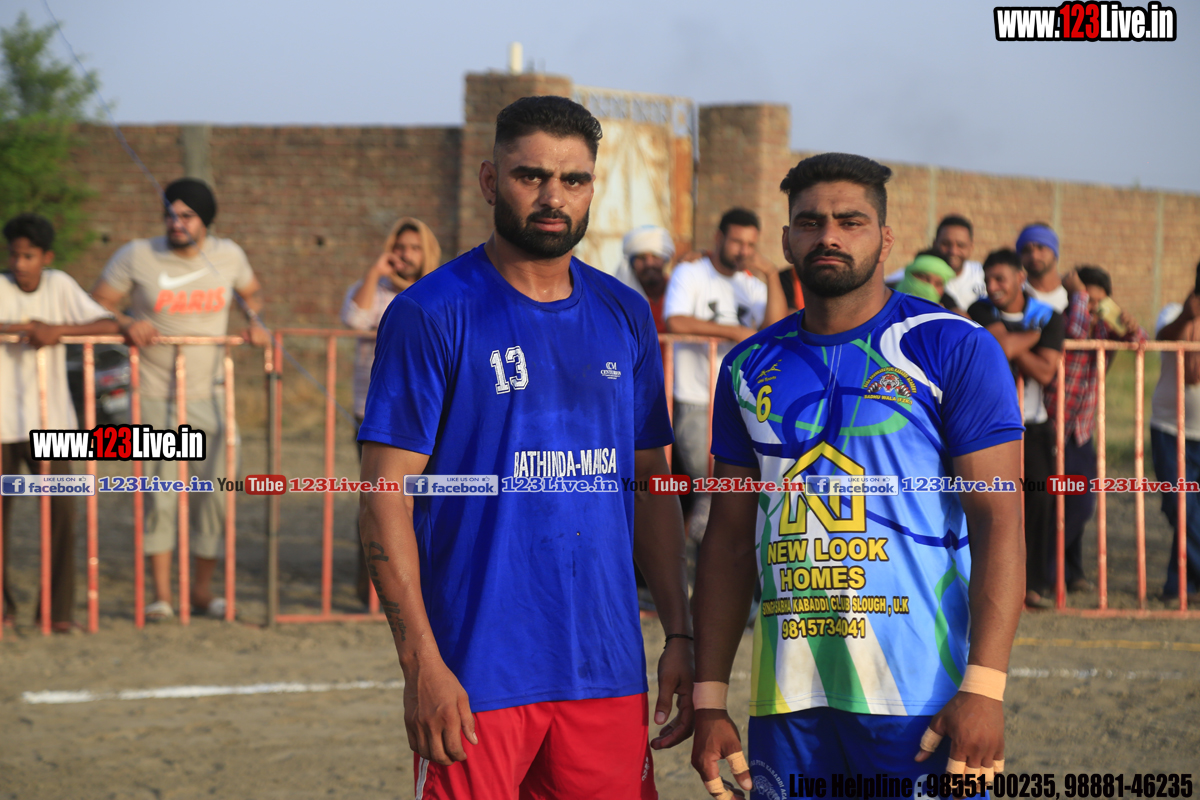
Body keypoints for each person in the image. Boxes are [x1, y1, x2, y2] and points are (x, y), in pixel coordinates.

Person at [357, 95, 693, 800]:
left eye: (573, 180)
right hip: (475, 674)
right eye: (530, 175)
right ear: (490, 181)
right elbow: (384, 498)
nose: (552, 197)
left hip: (605, 669)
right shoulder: (430, 312)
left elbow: (651, 485)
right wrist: (421, 666)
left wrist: (680, 634)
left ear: (593, 188)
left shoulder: (625, 313)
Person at [690, 153, 1024, 793]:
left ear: (885, 238)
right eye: (810, 222)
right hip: (788, 703)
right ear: (786, 239)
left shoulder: (950, 346)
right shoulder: (746, 366)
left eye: (851, 221)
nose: (829, 236)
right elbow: (729, 538)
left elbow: (999, 518)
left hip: (921, 700)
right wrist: (709, 700)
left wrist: (985, 688)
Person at [91, 178, 269, 621]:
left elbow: (251, 293)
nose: (176, 222)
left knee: (216, 494)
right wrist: (124, 321)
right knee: (160, 495)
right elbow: (98, 302)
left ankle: (201, 592)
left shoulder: (229, 255)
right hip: (154, 395)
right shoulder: (137, 254)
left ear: (205, 220)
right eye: (171, 213)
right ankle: (161, 597)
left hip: (212, 395)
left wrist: (254, 320)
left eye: (186, 215)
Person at [2, 213, 120, 632]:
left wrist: (56, 331)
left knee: (62, 516)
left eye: (29, 256)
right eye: (14, 255)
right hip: (2, 422)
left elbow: (108, 323)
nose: (20, 264)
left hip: (52, 423)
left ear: (46, 257)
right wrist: (21, 328)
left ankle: (57, 612)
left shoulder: (60, 286)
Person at [1021, 224, 1146, 593]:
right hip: (1052, 426)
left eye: (1098, 304)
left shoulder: (1103, 330)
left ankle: (1062, 570)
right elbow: (1074, 333)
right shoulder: (1064, 320)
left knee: (1079, 503)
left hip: (1081, 430)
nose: (1091, 310)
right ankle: (1044, 573)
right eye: (1087, 302)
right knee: (1054, 502)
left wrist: (1123, 320)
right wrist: (1076, 297)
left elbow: (1139, 340)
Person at [663, 209, 788, 536]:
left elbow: (775, 329)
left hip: (742, 402)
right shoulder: (692, 272)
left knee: (736, 491)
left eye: (750, 244)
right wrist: (734, 332)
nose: (744, 250)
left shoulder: (752, 284)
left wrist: (771, 274)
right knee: (709, 488)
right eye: (737, 241)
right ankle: (695, 559)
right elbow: (675, 320)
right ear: (719, 238)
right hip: (697, 398)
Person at [341, 217, 441, 606]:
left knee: (425, 502)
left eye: (414, 248)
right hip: (373, 413)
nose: (405, 255)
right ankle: (370, 592)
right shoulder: (373, 290)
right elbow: (354, 318)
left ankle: (421, 587)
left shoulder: (438, 290)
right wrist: (374, 274)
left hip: (427, 413)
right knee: (377, 499)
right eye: (400, 247)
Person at [968, 249, 1064, 609]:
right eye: (987, 279)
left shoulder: (1049, 316)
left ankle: (1034, 584)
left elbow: (1045, 371)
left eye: (1000, 279)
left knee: (1039, 502)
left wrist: (1013, 345)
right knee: (988, 502)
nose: (992, 286)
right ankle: (987, 581)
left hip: (1033, 425)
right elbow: (1002, 345)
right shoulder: (980, 310)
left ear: (1020, 278)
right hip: (987, 425)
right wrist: (1031, 339)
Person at [1149, 276, 1200, 602]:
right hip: (1171, 430)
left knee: (1194, 513)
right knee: (1179, 506)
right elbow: (1164, 338)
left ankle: (1179, 585)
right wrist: (1187, 316)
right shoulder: (1172, 313)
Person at [886, 215, 986, 310]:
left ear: (971, 248)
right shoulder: (911, 276)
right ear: (934, 244)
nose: (953, 251)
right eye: (946, 244)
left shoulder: (984, 276)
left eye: (960, 245)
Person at [614, 224, 674, 332]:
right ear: (632, 263)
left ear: (665, 259)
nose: (649, 263)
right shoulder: (620, 297)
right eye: (641, 258)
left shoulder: (679, 290)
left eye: (655, 256)